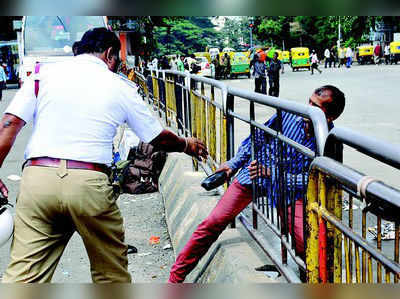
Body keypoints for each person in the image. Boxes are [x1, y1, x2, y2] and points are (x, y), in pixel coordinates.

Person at [0, 27, 208, 283]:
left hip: (37, 181)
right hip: (89, 184)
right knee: (111, 275)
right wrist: (186, 144)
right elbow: (157, 137)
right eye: (118, 60)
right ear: (110, 54)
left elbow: (9, 124)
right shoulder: (118, 85)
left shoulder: (43, 75)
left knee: (23, 277)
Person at [168, 85, 345, 283]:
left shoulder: (331, 141)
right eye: (309, 102)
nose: (309, 109)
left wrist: (275, 175)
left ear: (329, 117)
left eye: (316, 107)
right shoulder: (288, 115)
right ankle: (176, 278)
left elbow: (316, 180)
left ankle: (310, 280)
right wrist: (232, 165)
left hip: (288, 190)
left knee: (304, 240)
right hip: (253, 175)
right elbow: (258, 138)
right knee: (213, 223)